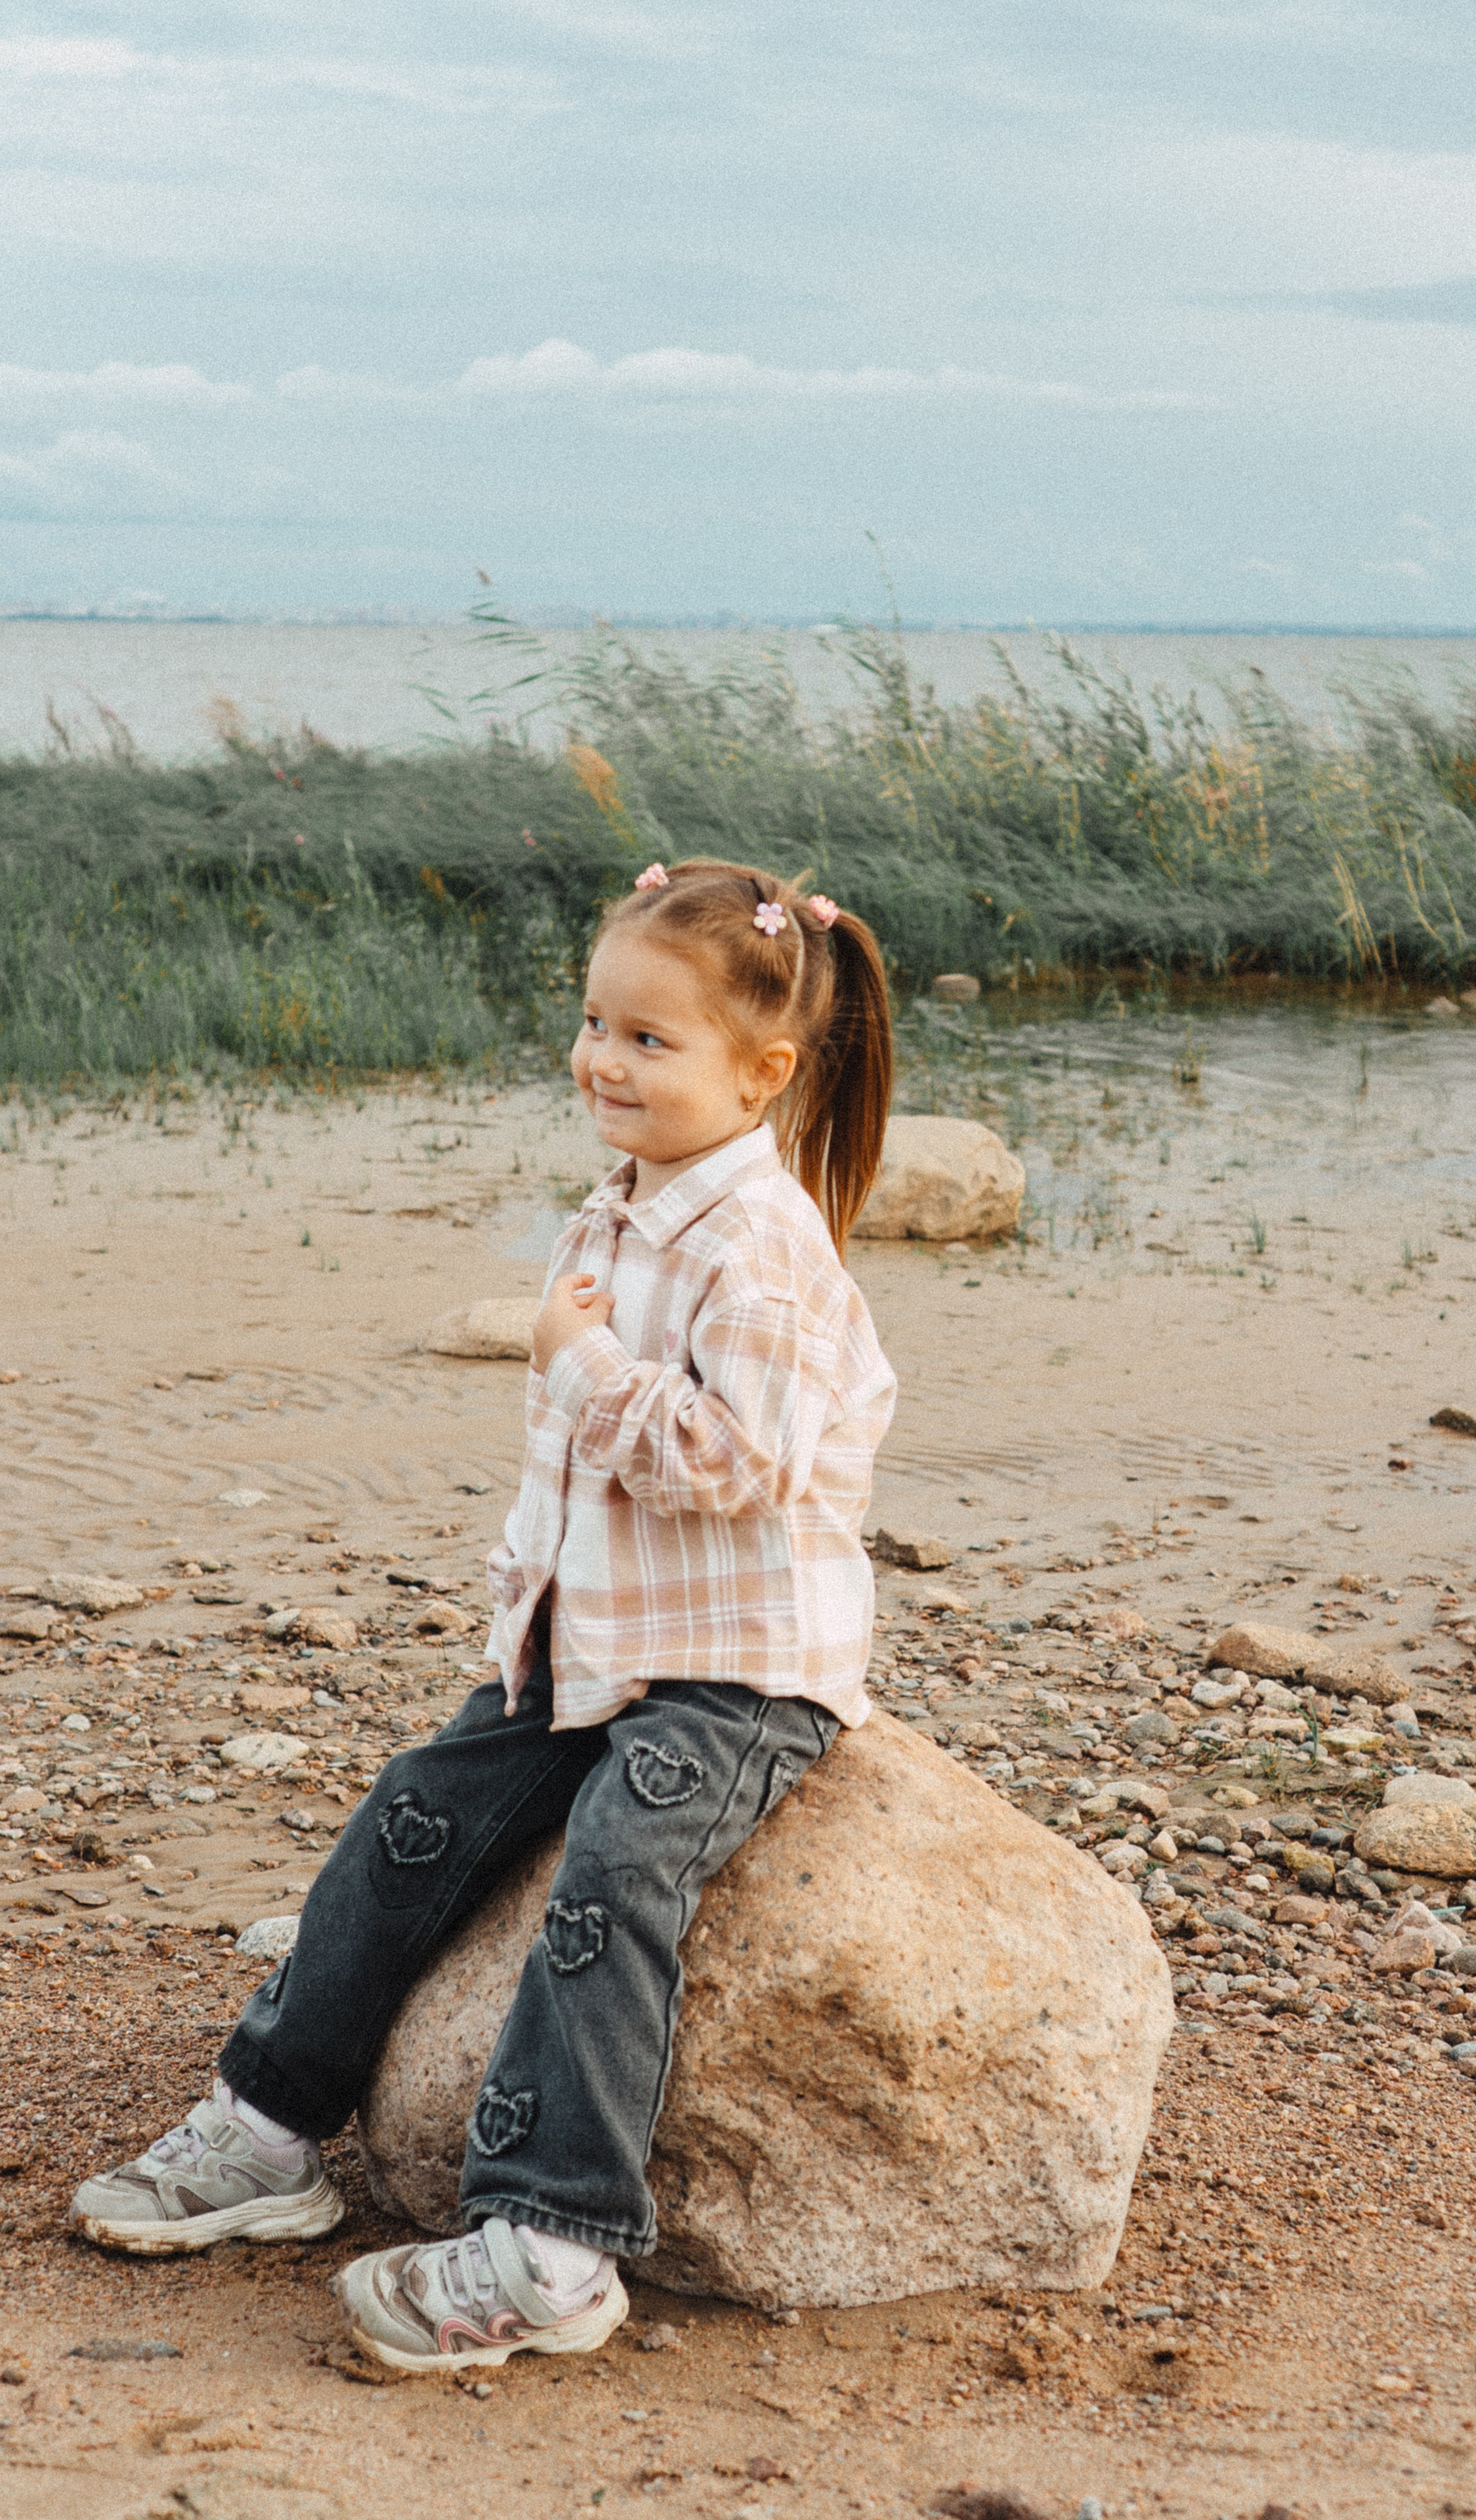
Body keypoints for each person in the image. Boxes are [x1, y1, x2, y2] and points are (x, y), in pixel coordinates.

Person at [70, 858, 897, 2374]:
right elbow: (577, 1486)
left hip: (733, 1671)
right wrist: (526, 1619)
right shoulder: (624, 1206)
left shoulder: (760, 1245)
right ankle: (269, 2126)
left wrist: (575, 1366)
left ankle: (554, 2245)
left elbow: (739, 1465)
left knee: (612, 1879)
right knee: (414, 1818)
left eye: (651, 1039)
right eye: (596, 1022)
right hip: (589, 1646)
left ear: (763, 1070)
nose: (603, 1057)